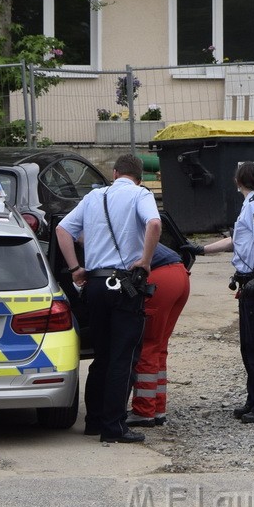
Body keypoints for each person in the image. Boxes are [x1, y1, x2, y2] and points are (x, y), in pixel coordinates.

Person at [55, 154, 161, 443]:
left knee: (101, 356)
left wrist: (76, 269)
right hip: (125, 284)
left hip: (95, 283)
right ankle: (114, 428)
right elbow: (154, 224)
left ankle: (94, 421)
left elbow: (62, 229)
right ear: (138, 177)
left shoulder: (93, 197)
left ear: (114, 173)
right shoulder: (141, 194)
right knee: (122, 358)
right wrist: (146, 261)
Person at [181, 162, 254, 423]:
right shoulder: (251, 204)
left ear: (237, 181)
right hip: (250, 281)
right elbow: (236, 241)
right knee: (249, 346)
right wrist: (201, 250)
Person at [126, 242, 190, 428]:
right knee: (159, 346)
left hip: (160, 278)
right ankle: (157, 408)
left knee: (147, 346)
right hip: (179, 274)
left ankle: (144, 412)